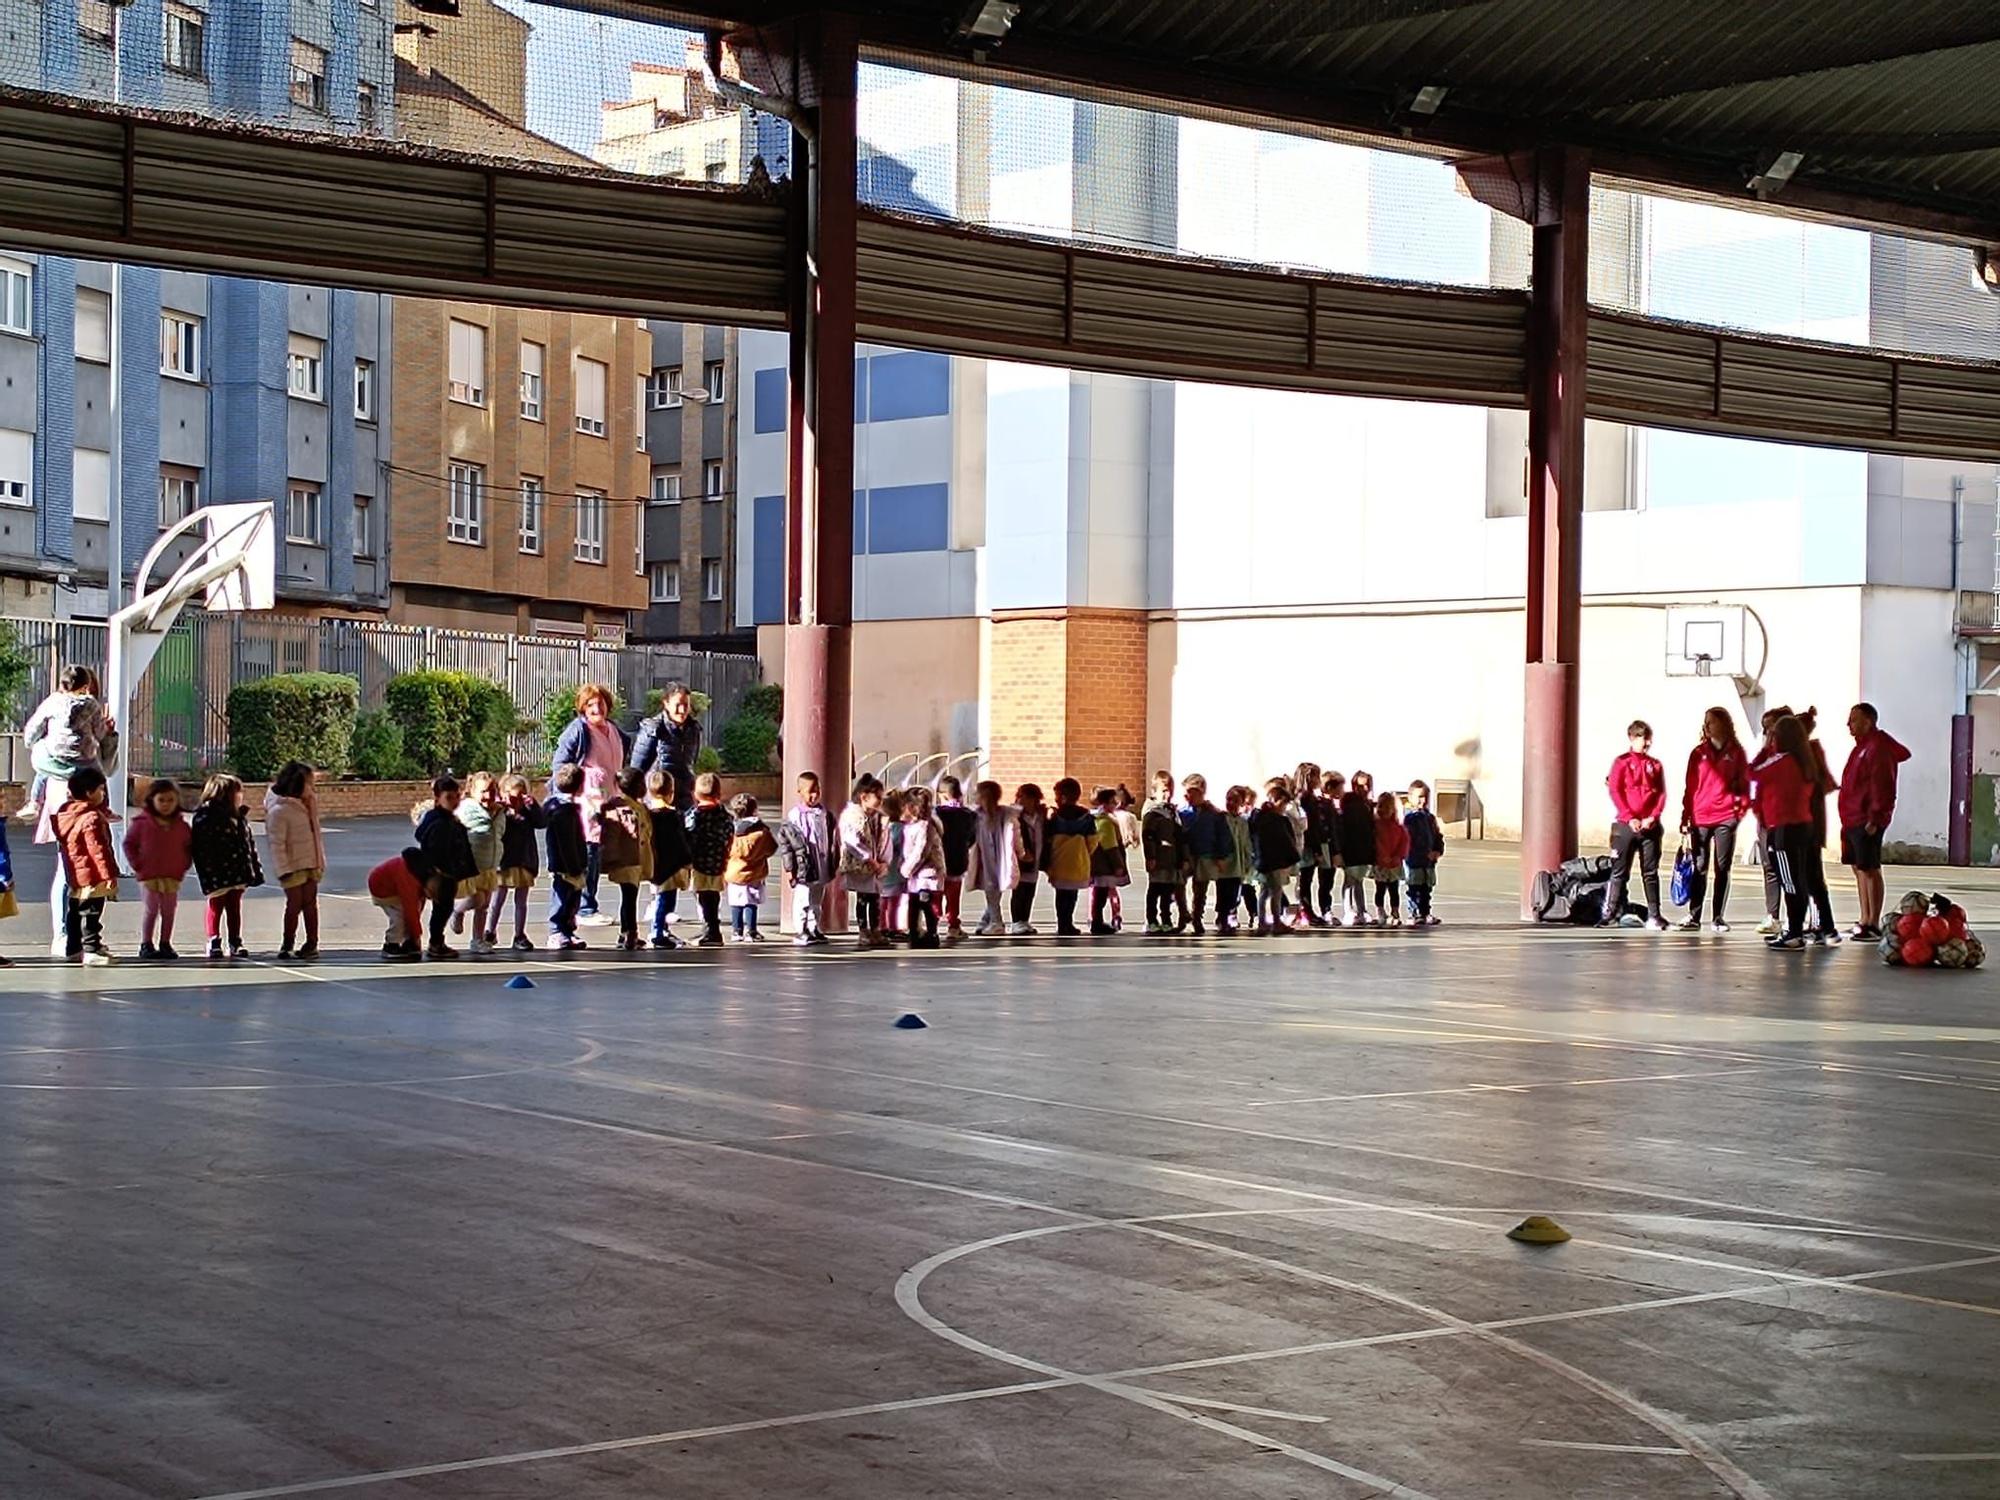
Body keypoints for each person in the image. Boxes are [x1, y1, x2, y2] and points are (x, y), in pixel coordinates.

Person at [548, 684, 628, 925]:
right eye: (590, 704)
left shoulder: (614, 731)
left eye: (600, 702)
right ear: (582, 708)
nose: (596, 708)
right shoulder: (577, 731)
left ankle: (586, 903)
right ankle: (585, 907)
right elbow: (561, 765)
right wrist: (563, 796)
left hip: (609, 799)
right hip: (586, 802)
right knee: (589, 852)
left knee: (600, 851)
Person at [1837, 702, 1910, 941]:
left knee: (1870, 869)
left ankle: (1873, 922)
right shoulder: (1860, 748)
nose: (1849, 724)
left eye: (1854, 719)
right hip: (1851, 818)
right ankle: (1864, 917)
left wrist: (1876, 818)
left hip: (1866, 819)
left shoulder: (1878, 748)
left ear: (1868, 721)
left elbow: (1882, 785)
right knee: (1859, 869)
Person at [1678, 707, 1750, 933]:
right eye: (1705, 722)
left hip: (1725, 818)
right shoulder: (1698, 753)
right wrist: (1685, 816)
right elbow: (1690, 787)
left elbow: (1745, 785)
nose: (1707, 726)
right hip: (1700, 817)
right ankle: (1694, 915)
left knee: (1722, 867)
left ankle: (1718, 917)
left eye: (1712, 722)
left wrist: (1738, 813)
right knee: (1700, 866)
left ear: (1723, 724)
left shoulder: (1737, 753)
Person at [1753, 715, 1819, 951]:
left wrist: (1766, 747)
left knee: (1789, 882)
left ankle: (1794, 932)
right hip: (1803, 826)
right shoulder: (1805, 761)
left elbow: (1752, 773)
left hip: (1783, 828)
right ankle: (1796, 930)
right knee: (1798, 879)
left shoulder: (1781, 762)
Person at [18, 665, 110, 824]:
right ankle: (105, 807)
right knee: (100, 776)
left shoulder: (53, 701)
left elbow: (35, 725)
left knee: (42, 764)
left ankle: (34, 802)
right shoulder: (91, 704)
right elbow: (100, 732)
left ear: (62, 684)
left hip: (57, 755)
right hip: (84, 758)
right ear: (86, 686)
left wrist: (30, 742)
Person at [1601, 721, 1669, 931]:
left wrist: (1653, 816)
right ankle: (1611, 912)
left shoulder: (1655, 765)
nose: (1646, 742)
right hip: (1626, 825)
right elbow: (1615, 790)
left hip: (1649, 826)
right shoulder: (1621, 763)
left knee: (1650, 871)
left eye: (1648, 738)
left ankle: (1655, 915)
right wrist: (1630, 817)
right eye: (1642, 738)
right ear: (1632, 738)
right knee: (1620, 870)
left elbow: (1661, 793)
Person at [191, 773, 261, 960]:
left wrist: (253, 867)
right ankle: (213, 940)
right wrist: (208, 872)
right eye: (238, 792)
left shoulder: (239, 817)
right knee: (216, 906)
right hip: (217, 872)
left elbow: (248, 844)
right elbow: (202, 849)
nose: (241, 796)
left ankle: (235, 940)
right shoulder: (206, 818)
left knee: (234, 907)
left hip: (237, 870)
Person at [54, 766, 119, 965]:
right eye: (101, 790)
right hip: (93, 874)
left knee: (74, 911)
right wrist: (109, 875)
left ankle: (73, 948)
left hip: (75, 873)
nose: (104, 794)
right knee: (92, 911)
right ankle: (91, 948)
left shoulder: (66, 813)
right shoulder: (92, 817)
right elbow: (97, 849)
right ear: (90, 793)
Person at [264, 761, 327, 962]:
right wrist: (284, 868)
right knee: (294, 904)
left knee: (310, 904)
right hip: (292, 866)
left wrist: (319, 861)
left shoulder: (309, 803)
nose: (312, 788)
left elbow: (316, 834)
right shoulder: (279, 811)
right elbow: (277, 844)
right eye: (309, 783)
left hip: (311, 861)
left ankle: (312, 942)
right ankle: (287, 943)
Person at [124, 778, 192, 960]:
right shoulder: (141, 823)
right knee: (151, 909)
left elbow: (189, 847)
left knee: (169, 910)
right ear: (152, 799)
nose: (166, 805)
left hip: (172, 875)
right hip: (149, 874)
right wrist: (137, 864)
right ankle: (146, 943)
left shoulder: (181, 826)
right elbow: (129, 844)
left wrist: (184, 864)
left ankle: (165, 942)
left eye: (170, 800)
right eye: (161, 800)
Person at [415, 775, 477, 960]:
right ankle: (435, 942)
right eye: (449, 797)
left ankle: (436, 941)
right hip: (441, 873)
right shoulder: (440, 822)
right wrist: (438, 871)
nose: (455, 801)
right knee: (441, 909)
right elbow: (436, 848)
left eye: (457, 796)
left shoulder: (448, 819)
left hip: (449, 872)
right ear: (438, 798)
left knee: (443, 908)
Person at [1796, 707, 1842, 943]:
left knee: (1809, 878)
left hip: (1805, 827)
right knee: (1810, 877)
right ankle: (1821, 924)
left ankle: (1823, 925)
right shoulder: (1810, 754)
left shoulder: (1806, 755)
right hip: (1810, 826)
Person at [489, 774, 546, 953]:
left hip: (524, 860)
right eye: (513, 796)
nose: (516, 801)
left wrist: (532, 805)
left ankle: (519, 934)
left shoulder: (527, 812)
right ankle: (489, 931)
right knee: (497, 900)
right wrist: (502, 807)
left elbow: (542, 822)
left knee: (521, 901)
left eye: (520, 796)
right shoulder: (501, 812)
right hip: (504, 862)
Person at [450, 772, 505, 954]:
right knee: (476, 899)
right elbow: (453, 828)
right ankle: (457, 911)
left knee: (484, 905)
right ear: (472, 791)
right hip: (471, 866)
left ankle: (477, 939)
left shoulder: (500, 812)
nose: (487, 796)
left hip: (490, 866)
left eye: (491, 791)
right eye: (483, 792)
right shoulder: (465, 809)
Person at [776, 771, 832, 947]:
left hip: (820, 864)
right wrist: (789, 868)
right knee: (803, 898)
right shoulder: (794, 816)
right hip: (803, 866)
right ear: (799, 792)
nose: (814, 795)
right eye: (810, 791)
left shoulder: (824, 814)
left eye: (817, 790)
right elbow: (787, 845)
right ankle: (801, 929)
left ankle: (814, 927)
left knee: (817, 899)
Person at [630, 682, 704, 814]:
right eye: (678, 705)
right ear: (666, 703)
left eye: (685, 705)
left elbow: (692, 763)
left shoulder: (694, 730)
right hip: (658, 799)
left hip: (684, 800)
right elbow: (637, 768)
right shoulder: (653, 729)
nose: (682, 710)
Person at [599, 769, 652, 951]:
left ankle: (628, 932)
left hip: (637, 859)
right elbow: (612, 835)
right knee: (629, 897)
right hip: (627, 860)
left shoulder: (639, 807)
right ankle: (629, 932)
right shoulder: (620, 807)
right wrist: (611, 858)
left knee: (630, 897)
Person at [839, 774, 891, 948]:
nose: (881, 801)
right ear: (864, 797)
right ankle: (863, 931)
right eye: (878, 797)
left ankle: (876, 929)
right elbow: (852, 840)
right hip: (860, 865)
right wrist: (868, 857)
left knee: (875, 897)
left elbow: (885, 839)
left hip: (876, 864)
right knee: (863, 898)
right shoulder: (852, 816)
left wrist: (884, 860)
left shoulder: (879, 818)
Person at [966, 779, 1023, 936]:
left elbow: (1015, 835)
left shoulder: (1005, 815)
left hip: (998, 860)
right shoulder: (977, 816)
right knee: (992, 891)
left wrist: (1021, 852)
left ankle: (996, 922)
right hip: (986, 858)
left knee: (992, 890)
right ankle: (986, 919)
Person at [644, 770, 693, 949]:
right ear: (671, 792)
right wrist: (688, 859)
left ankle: (661, 930)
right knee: (666, 901)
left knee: (659, 898)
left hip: (655, 864)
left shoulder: (648, 814)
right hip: (672, 865)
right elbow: (680, 840)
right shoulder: (674, 816)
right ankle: (657, 931)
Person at [543, 763, 590, 951]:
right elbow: (566, 842)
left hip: (574, 863)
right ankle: (556, 931)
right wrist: (574, 865)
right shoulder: (562, 810)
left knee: (572, 899)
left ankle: (568, 930)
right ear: (580, 786)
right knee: (562, 898)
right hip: (564, 865)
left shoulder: (569, 807)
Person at [1042, 779, 1097, 937]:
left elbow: (1048, 839)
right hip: (1078, 861)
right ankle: (1069, 922)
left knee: (1061, 895)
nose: (1056, 799)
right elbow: (1093, 840)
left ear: (1064, 797)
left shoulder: (1055, 817)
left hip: (1059, 861)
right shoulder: (1086, 818)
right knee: (1072, 895)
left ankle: (1062, 923)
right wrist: (1085, 853)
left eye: (1058, 796)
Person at [685, 771, 734, 947]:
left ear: (696, 794)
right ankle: (712, 928)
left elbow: (688, 835)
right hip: (719, 862)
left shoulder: (695, 815)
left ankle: (711, 930)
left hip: (699, 863)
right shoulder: (725, 816)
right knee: (713, 895)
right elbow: (730, 834)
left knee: (703, 896)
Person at [722, 791, 776, 943]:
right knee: (751, 902)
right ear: (754, 809)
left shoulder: (731, 831)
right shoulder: (762, 832)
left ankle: (736, 931)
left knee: (736, 902)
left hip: (734, 871)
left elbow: (725, 849)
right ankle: (751, 931)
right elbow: (772, 848)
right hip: (755, 871)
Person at [899, 785, 946, 948]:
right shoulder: (913, 826)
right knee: (914, 905)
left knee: (926, 905)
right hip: (916, 877)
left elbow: (921, 851)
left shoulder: (925, 827)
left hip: (927, 875)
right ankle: (915, 933)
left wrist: (907, 869)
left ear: (912, 807)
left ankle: (931, 933)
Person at [1250, 778, 1299, 933]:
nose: (1284, 807)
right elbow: (1281, 842)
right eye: (1283, 803)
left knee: (1266, 891)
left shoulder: (1272, 819)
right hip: (1272, 861)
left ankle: (1263, 922)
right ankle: (1274, 921)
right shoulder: (1269, 820)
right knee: (1274, 891)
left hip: (1271, 861)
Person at [1180, 774, 1227, 934]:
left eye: (1192, 792)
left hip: (1205, 853)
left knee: (1200, 889)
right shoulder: (1183, 812)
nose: (1188, 797)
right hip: (1187, 853)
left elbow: (1222, 836)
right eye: (1186, 793)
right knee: (1179, 884)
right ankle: (1182, 913)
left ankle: (1197, 917)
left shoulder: (1214, 814)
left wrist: (1220, 856)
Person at [368, 847, 431, 960]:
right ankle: (391, 944)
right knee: (399, 917)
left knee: (409, 913)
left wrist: (414, 935)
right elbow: (410, 909)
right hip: (382, 889)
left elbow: (416, 910)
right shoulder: (409, 878)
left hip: (392, 884)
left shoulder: (421, 874)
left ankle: (408, 941)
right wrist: (416, 936)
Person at [934, 776, 977, 944]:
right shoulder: (968, 815)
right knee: (953, 896)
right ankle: (953, 926)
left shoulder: (936, 813)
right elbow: (972, 837)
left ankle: (933, 923)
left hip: (938, 861)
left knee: (936, 894)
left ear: (942, 795)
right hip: (958, 861)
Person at [1142, 788, 1188, 934]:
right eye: (1163, 790)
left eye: (1169, 790)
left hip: (1172, 860)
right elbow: (1148, 837)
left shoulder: (1173, 813)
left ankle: (1166, 920)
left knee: (1167, 893)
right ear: (1154, 791)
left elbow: (1180, 838)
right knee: (1154, 891)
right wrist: (1151, 857)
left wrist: (1183, 858)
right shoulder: (1152, 814)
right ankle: (1152, 920)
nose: (1167, 794)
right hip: (1159, 859)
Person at [1337, 771, 1377, 926]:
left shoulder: (1367, 805)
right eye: (1361, 785)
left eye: (1367, 785)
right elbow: (1344, 829)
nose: (1365, 788)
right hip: (1350, 848)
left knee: (1358, 880)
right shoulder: (1349, 805)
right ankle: (1349, 910)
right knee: (1350, 880)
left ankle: (1361, 910)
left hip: (1363, 848)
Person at [1403, 780, 1444, 926]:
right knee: (1414, 888)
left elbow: (1437, 836)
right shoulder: (1409, 818)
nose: (1423, 800)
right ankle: (1414, 913)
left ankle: (1425, 912)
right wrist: (1418, 853)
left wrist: (1437, 850)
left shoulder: (1430, 818)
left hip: (1429, 862)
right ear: (1410, 798)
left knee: (1426, 888)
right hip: (1414, 860)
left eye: (1425, 796)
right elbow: (1409, 840)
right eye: (1419, 796)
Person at [1009, 784, 1047, 937]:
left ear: (1033, 799)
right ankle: (1016, 921)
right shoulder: (1016, 816)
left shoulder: (1040, 816)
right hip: (1021, 858)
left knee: (1030, 891)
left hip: (1036, 858)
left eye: (1023, 796)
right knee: (1019, 891)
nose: (1020, 799)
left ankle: (1025, 919)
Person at [1217, 784, 1254, 936]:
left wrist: (1247, 860)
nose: (1231, 803)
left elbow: (1246, 842)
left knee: (1234, 892)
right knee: (1223, 891)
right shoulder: (1221, 819)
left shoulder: (1243, 822)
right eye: (1229, 800)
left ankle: (1229, 914)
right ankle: (1222, 917)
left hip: (1238, 864)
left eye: (1235, 801)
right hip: (1225, 863)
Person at [1372, 790, 1410, 925]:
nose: (1384, 810)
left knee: (1394, 890)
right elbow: (1375, 843)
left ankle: (1395, 912)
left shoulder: (1398, 827)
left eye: (1387, 807)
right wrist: (1381, 857)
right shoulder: (1375, 826)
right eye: (1381, 806)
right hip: (1380, 863)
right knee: (1380, 889)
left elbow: (1404, 843)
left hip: (1394, 864)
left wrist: (1398, 857)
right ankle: (1380, 911)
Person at [880, 788, 910, 940]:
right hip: (896, 872)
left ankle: (881, 926)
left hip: (882, 870)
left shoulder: (883, 827)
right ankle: (892, 927)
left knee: (882, 902)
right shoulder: (903, 829)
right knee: (894, 903)